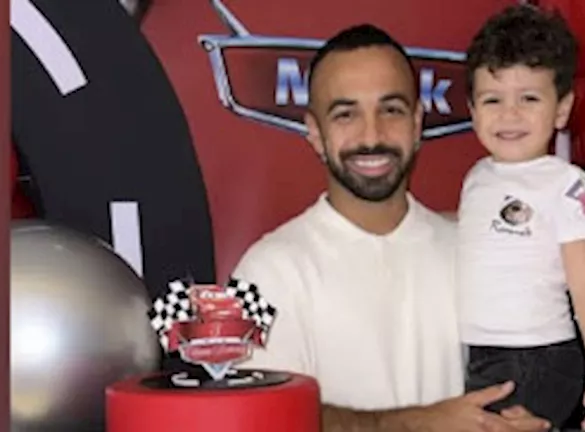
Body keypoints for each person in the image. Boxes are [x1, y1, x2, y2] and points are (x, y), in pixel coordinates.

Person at [230, 23, 551, 432]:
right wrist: (420, 424)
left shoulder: (472, 250)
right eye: (346, 114)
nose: (372, 135)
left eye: (391, 110)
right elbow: (263, 421)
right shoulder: (265, 273)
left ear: (417, 123)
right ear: (315, 132)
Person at [457, 5, 585, 431]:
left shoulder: (568, 186)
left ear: (561, 109)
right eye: (493, 100)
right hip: (482, 351)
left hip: (537, 355)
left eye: (529, 98)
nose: (509, 114)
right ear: (472, 110)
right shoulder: (477, 177)